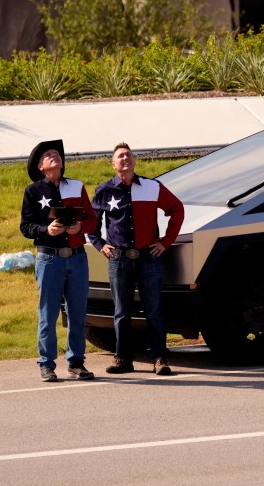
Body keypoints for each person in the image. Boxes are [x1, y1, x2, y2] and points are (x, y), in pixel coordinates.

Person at [87, 143, 185, 376]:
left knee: (154, 310)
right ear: (113, 164)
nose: (125, 158)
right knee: (121, 312)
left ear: (134, 161)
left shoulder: (152, 187)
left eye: (128, 155)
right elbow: (91, 222)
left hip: (148, 258)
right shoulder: (104, 190)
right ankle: (123, 358)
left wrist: (165, 242)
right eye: (120, 156)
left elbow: (177, 209)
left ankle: (160, 358)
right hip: (119, 260)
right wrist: (100, 244)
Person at [20, 139, 98, 382]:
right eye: (48, 155)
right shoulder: (33, 191)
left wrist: (80, 227)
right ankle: (46, 363)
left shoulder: (77, 186)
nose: (55, 156)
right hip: (49, 259)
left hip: (77, 258)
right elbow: (25, 227)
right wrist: (46, 230)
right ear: (41, 166)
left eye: (57, 153)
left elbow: (93, 220)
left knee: (78, 312)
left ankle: (76, 363)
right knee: (48, 312)